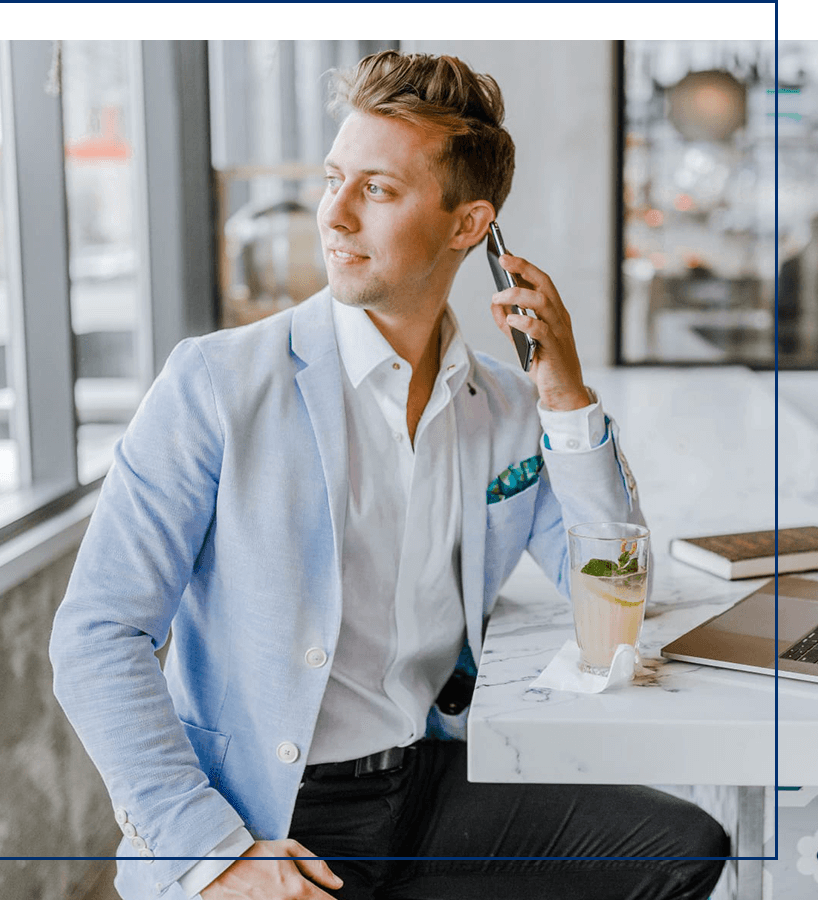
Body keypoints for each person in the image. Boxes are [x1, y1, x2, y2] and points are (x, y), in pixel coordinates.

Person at [50, 50, 729, 900]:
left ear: (469, 225)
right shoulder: (215, 384)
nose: (333, 215)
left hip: (424, 782)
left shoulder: (506, 407)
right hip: (271, 812)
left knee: (682, 850)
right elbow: (97, 636)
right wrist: (214, 850)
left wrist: (564, 395)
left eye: (376, 189)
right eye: (333, 179)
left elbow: (615, 595)